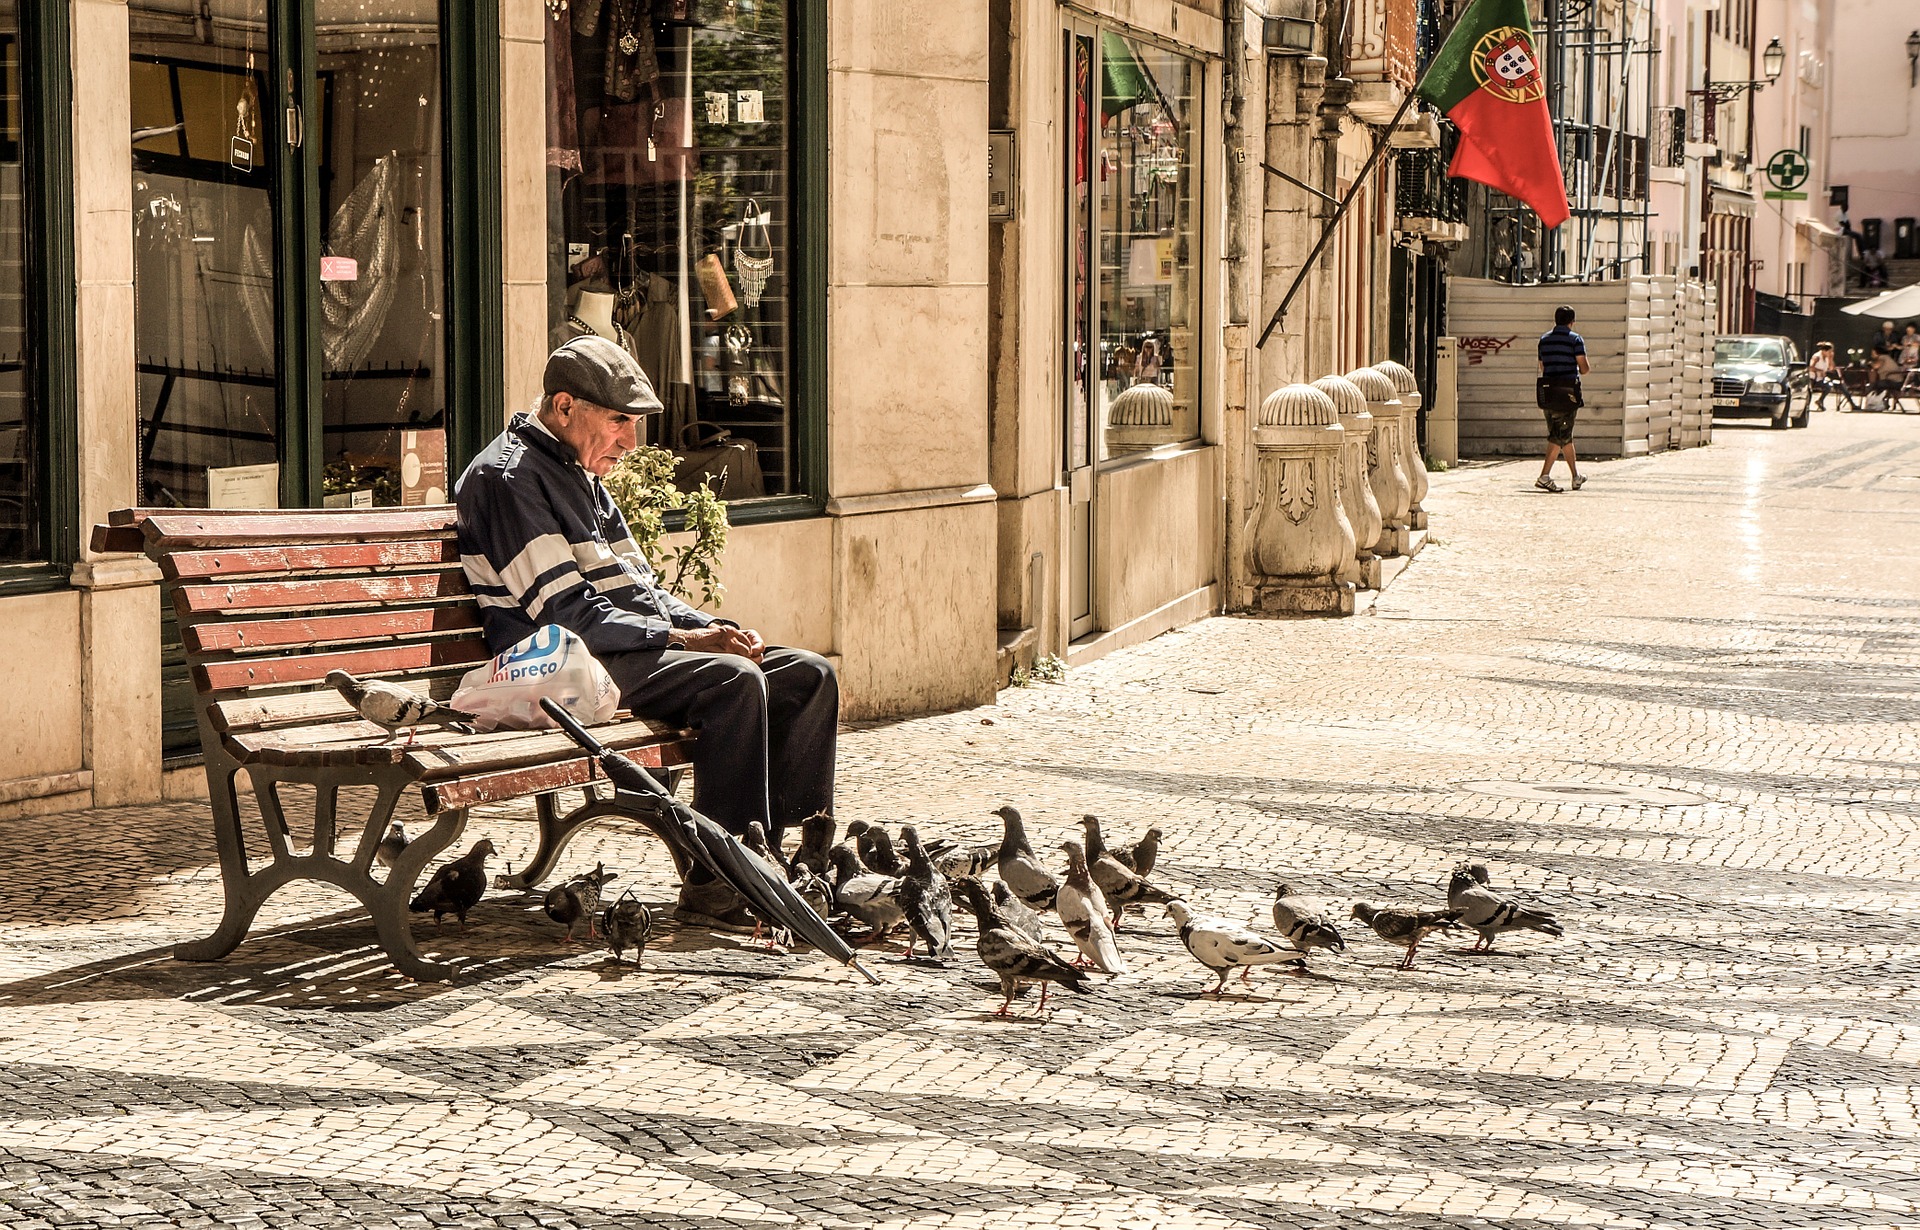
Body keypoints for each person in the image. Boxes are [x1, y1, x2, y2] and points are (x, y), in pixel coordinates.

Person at [454, 336, 838, 926]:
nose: (630, 443)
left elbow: (641, 591)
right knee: (731, 682)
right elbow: (564, 616)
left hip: (607, 652)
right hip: (554, 669)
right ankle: (722, 881)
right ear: (564, 407)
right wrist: (690, 643)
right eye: (619, 422)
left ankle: (789, 865)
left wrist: (712, 626)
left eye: (634, 424)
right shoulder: (510, 478)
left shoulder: (577, 470)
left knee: (808, 674)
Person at [1535, 305, 1589, 493]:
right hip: (1567, 393)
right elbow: (1584, 368)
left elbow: (1542, 365)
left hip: (1548, 392)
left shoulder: (1544, 340)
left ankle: (1575, 476)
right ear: (1571, 322)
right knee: (1559, 435)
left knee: (1563, 435)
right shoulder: (1575, 340)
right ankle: (1544, 476)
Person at [1807, 341, 1847, 411]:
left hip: (1821, 378)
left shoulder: (1827, 358)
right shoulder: (1817, 357)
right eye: (1829, 351)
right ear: (1824, 350)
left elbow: (1831, 368)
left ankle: (1820, 400)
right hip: (1813, 378)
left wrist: (1831, 359)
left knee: (1830, 386)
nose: (1830, 353)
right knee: (1823, 387)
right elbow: (1810, 367)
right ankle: (1807, 405)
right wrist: (1820, 371)